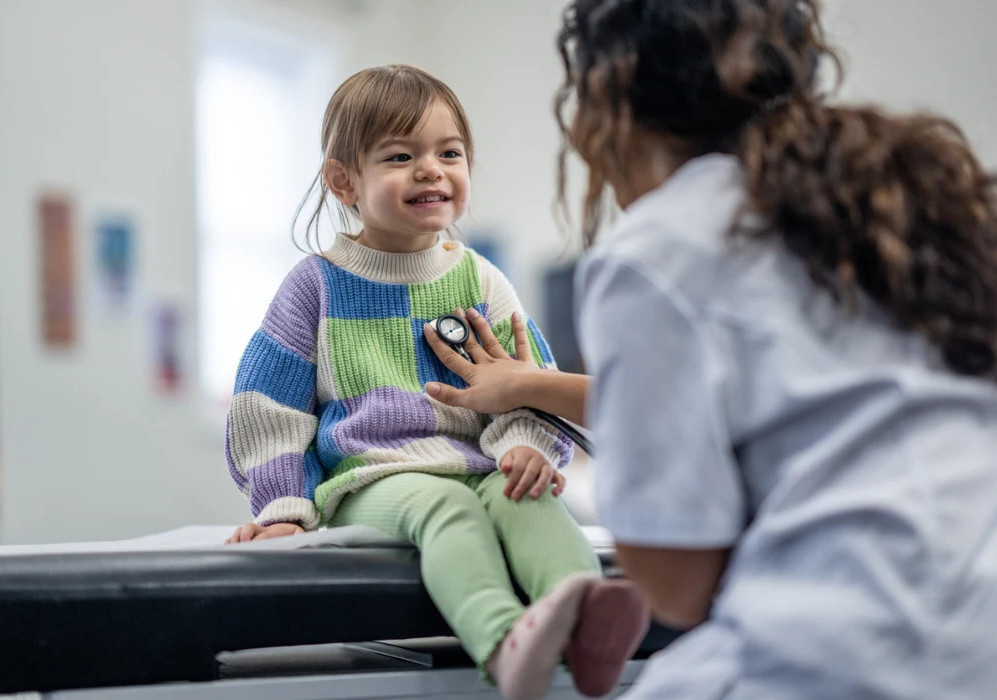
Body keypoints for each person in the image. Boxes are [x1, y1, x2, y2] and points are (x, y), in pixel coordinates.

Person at [424, 1, 997, 698]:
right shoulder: (891, 205)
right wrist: (530, 386)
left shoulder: (657, 249)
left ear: (603, 99)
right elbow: (793, 398)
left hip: (849, 653)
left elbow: (678, 583)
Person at [221, 64, 649, 700]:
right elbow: (268, 409)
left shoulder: (481, 279)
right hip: (374, 477)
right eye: (401, 155)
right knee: (443, 505)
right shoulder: (315, 285)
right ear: (344, 181)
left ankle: (584, 616)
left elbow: (529, 376)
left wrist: (524, 447)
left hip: (475, 464)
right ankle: (505, 644)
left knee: (525, 498)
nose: (431, 169)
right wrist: (286, 509)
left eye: (450, 153)